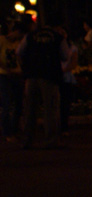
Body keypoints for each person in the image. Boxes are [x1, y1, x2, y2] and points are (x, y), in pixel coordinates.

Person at [17, 21, 67, 149]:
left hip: (31, 76)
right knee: (50, 109)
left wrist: (25, 67)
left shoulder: (30, 36)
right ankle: (50, 140)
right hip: (50, 77)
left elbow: (19, 52)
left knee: (30, 109)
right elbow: (65, 56)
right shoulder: (57, 37)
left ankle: (28, 140)